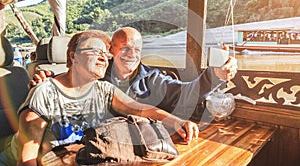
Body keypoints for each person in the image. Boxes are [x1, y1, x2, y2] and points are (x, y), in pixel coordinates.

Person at [0, 30, 198, 165]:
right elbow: (27, 159)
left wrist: (178, 122)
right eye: (96, 52)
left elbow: (140, 109)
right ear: (73, 57)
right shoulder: (44, 94)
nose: (104, 58)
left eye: (106, 53)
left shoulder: (103, 89)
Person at [30, 27, 237, 122]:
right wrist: (48, 81)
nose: (132, 54)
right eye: (125, 48)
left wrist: (215, 74)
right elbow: (70, 83)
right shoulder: (96, 74)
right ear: (112, 51)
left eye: (137, 49)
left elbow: (184, 95)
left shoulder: (152, 79)